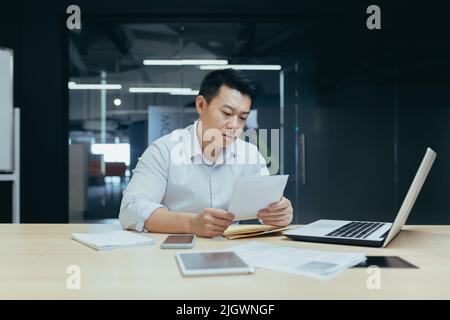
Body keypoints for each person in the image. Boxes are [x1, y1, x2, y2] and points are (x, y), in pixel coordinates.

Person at [119, 68, 293, 237]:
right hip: (172, 251)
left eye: (242, 117)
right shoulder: (164, 150)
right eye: (226, 113)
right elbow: (130, 209)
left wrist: (280, 212)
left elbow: (268, 205)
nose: (234, 125)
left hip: (229, 251)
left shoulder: (250, 154)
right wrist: (191, 224)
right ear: (201, 105)